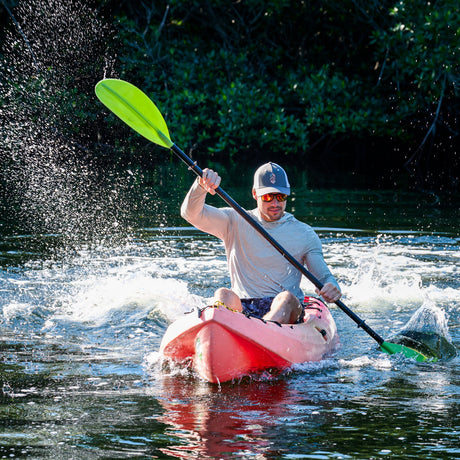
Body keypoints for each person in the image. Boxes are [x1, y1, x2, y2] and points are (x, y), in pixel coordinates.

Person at [180, 162, 341, 324]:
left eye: (281, 196)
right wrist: (200, 186)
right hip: (243, 307)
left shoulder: (305, 233)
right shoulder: (234, 221)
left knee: (287, 299)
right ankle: (234, 331)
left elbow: (323, 276)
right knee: (223, 294)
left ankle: (262, 329)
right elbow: (190, 214)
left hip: (287, 309)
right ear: (255, 194)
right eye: (268, 197)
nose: (275, 203)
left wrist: (331, 285)